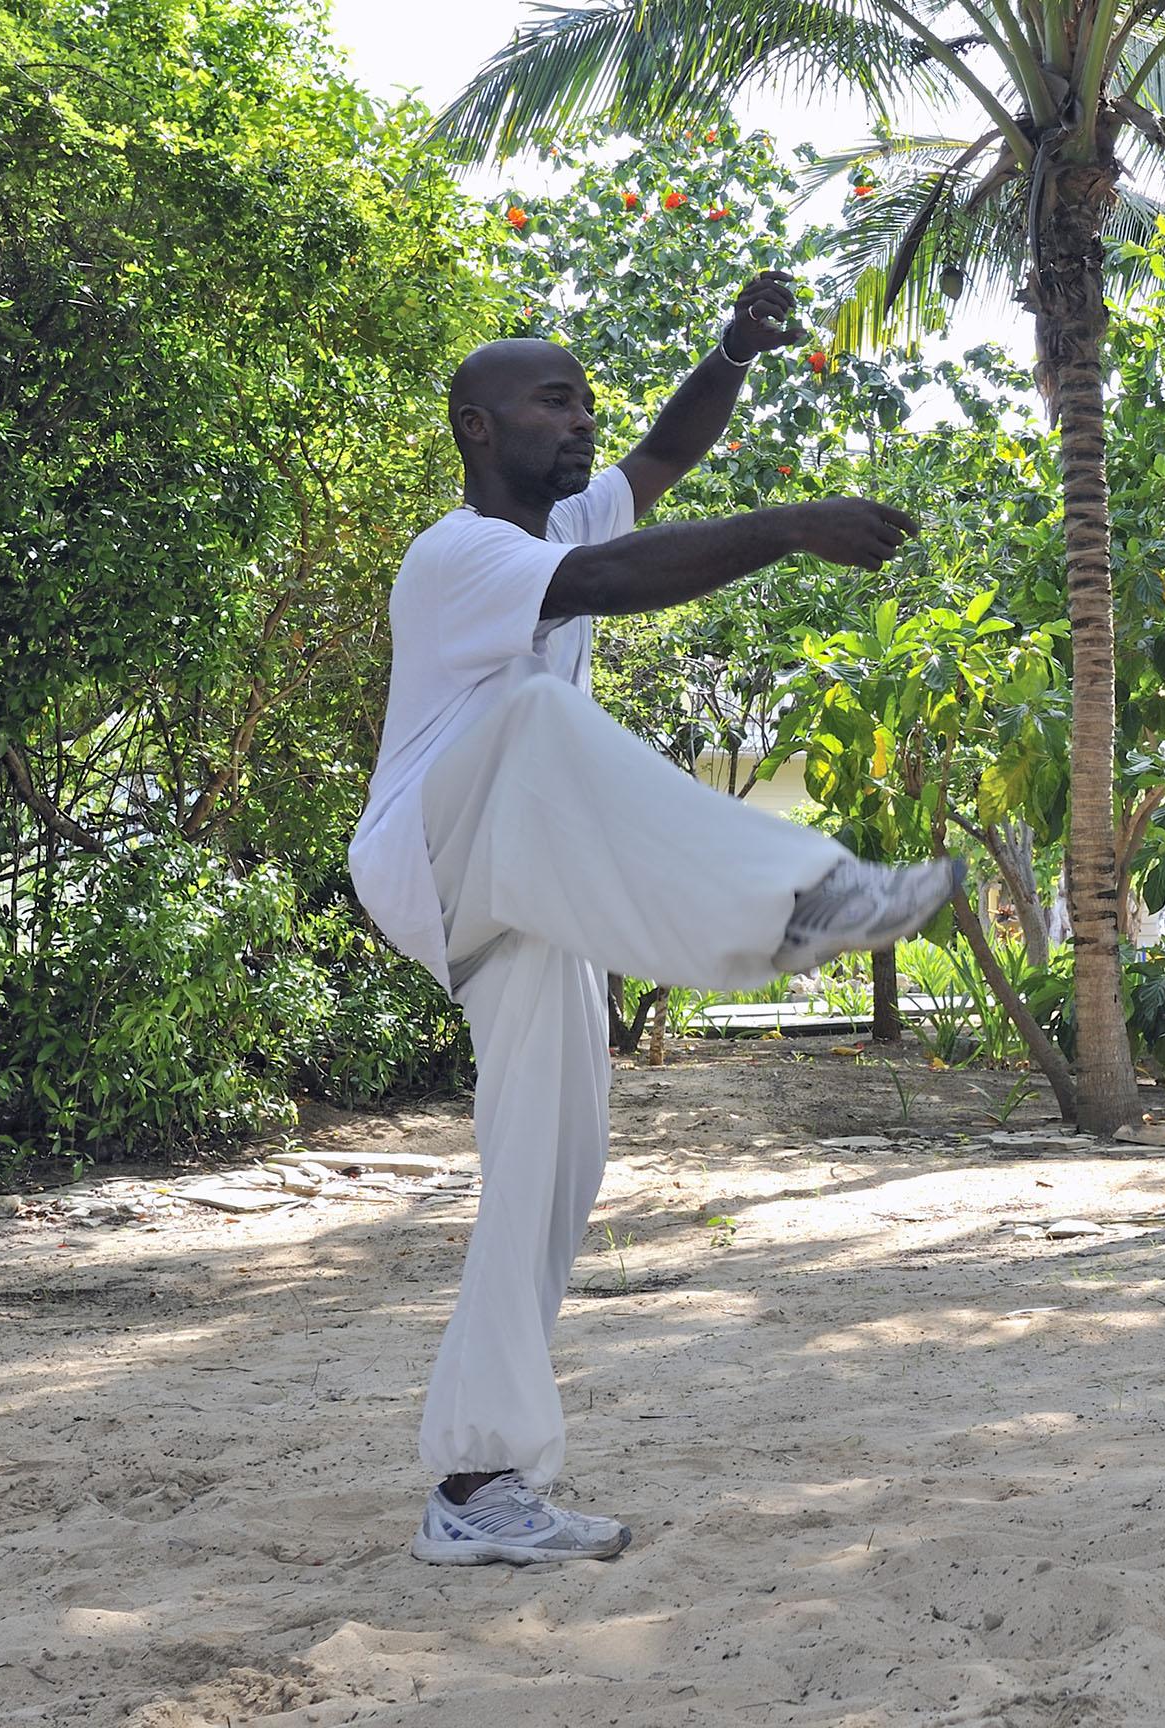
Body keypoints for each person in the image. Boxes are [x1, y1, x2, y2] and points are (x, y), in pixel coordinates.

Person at [348, 272, 958, 1566]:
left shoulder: (566, 516)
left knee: (549, 1179)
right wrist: (786, 526)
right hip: (438, 852)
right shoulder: (462, 556)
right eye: (550, 401)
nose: (580, 420)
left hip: (520, 898)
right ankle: (802, 895)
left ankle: (478, 1484)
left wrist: (733, 349)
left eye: (584, 400)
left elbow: (664, 455)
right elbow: (609, 579)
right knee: (534, 715)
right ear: (476, 426)